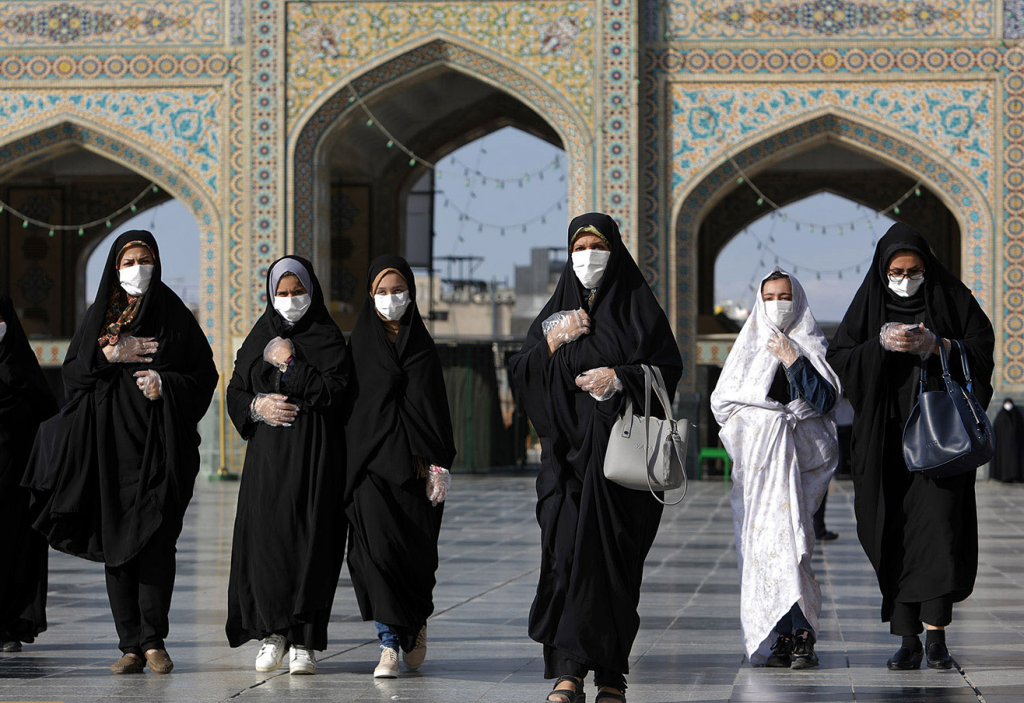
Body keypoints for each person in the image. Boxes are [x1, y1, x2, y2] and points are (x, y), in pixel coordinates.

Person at [22, 231, 218, 675]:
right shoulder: (100, 318)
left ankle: (154, 641)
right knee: (119, 547)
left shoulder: (175, 317)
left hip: (160, 448)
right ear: (115, 267)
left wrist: (165, 384)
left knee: (156, 543)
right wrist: (109, 355)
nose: (138, 268)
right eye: (129, 261)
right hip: (108, 452)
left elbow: (204, 374)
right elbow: (74, 376)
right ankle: (130, 643)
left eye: (145, 259)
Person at [508, 213, 681, 703]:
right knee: (563, 559)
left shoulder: (637, 309)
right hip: (566, 466)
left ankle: (609, 675)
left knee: (612, 566)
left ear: (615, 251)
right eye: (579, 247)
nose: (587, 257)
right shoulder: (556, 313)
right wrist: (552, 341)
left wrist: (622, 378)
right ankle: (567, 672)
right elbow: (521, 375)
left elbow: (669, 368)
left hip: (621, 469)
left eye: (597, 247)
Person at [827, 223, 994, 671]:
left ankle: (937, 636)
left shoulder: (953, 299)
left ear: (927, 266)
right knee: (892, 531)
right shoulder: (869, 306)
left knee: (940, 532)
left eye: (913, 270)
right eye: (896, 271)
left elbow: (981, 350)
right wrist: (879, 345)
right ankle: (907, 638)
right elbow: (841, 359)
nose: (905, 278)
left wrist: (936, 346)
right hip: (885, 443)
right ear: (883, 271)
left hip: (942, 444)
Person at [225, 256, 349, 675]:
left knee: (312, 542)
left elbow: (335, 393)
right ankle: (273, 633)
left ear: (311, 293)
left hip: (315, 459)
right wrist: (257, 406)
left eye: (298, 292)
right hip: (268, 462)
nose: (291, 300)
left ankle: (304, 641)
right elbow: (235, 392)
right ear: (270, 295)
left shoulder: (328, 338)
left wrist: (290, 365)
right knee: (267, 543)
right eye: (283, 293)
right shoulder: (259, 336)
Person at [711, 269, 840, 669]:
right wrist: (763, 422)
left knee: (796, 548)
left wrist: (793, 360)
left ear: (797, 298)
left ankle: (803, 633)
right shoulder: (748, 345)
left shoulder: (811, 343)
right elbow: (725, 405)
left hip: (803, 464)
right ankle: (777, 634)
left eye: (784, 295)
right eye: (769, 296)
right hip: (761, 469)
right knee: (763, 551)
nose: (777, 303)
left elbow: (824, 400)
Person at [343, 255, 455, 679]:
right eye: (383, 292)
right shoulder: (361, 346)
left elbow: (437, 411)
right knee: (377, 557)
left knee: (415, 558)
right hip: (371, 471)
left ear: (411, 292)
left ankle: (417, 624)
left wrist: (441, 464)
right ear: (370, 297)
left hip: (416, 472)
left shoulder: (423, 347)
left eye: (398, 291)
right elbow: (353, 410)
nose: (391, 300)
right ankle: (388, 643)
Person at [0, 296, 59, 653]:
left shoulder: (21, 370)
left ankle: (7, 624)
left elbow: (46, 416)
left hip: (13, 488)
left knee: (10, 550)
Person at [991, 399, 1024, 483]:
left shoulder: (1017, 415)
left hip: (1016, 445)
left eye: (1009, 403)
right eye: (1007, 403)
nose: (1008, 405)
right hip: (1003, 446)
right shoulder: (1000, 416)